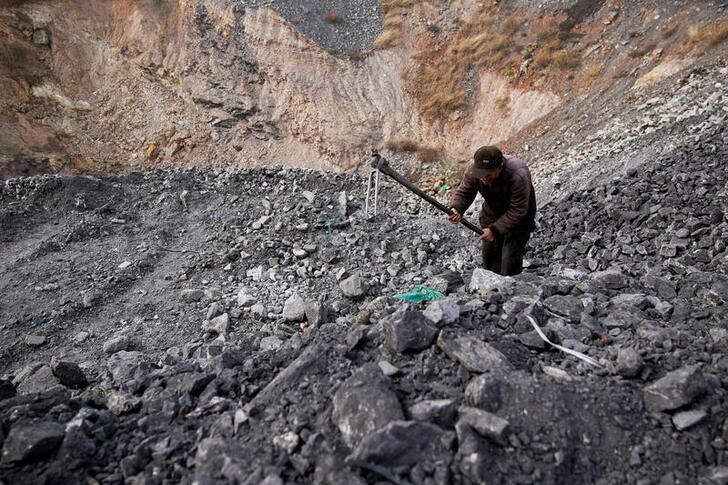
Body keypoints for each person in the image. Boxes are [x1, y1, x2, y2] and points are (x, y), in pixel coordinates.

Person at [446, 145, 536, 276]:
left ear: (499, 167)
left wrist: (494, 230)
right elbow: (465, 192)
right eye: (481, 175)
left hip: (520, 220)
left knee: (510, 261)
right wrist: (456, 208)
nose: (483, 178)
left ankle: (511, 290)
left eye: (488, 175)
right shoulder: (473, 171)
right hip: (492, 213)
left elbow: (518, 210)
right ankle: (491, 290)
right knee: (490, 259)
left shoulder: (518, 174)